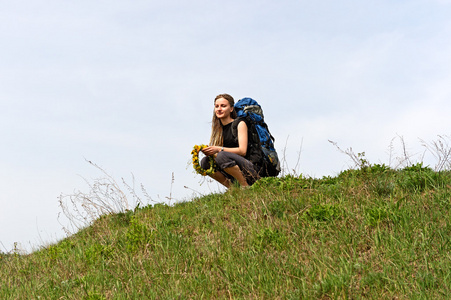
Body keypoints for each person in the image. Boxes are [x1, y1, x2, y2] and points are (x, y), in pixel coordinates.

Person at [201, 94, 263, 188]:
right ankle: (233, 189)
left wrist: (218, 149)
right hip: (234, 169)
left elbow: (242, 151)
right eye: (216, 106)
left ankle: (245, 187)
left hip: (252, 169)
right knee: (205, 162)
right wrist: (210, 152)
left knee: (221, 155)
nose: (219, 109)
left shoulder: (240, 123)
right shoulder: (219, 130)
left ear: (231, 109)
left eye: (223, 106)